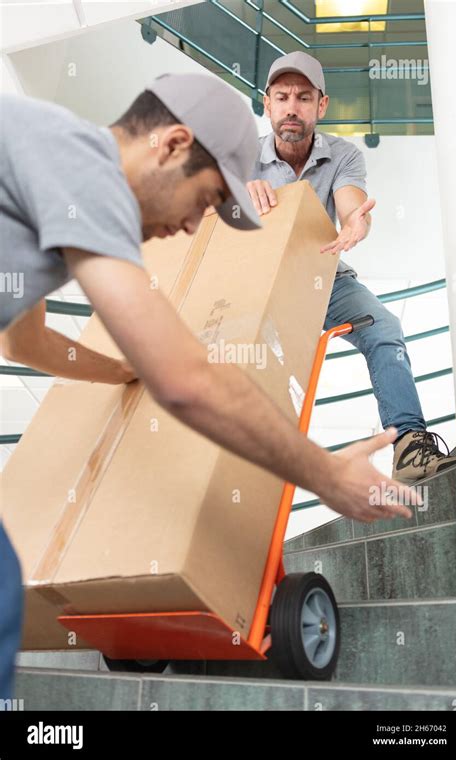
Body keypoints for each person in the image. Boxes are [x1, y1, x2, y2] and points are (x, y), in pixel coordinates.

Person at [0, 72, 420, 700]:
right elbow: (187, 382)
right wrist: (329, 477)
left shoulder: (48, 163)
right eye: (205, 199)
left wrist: (117, 369)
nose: (197, 225)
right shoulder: (86, 179)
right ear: (171, 145)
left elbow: (22, 342)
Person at [247, 51, 456, 484]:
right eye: (282, 96)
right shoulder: (240, 161)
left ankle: (410, 448)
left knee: (383, 328)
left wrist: (355, 222)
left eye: (304, 97)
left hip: (326, 278)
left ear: (321, 106)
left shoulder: (343, 156)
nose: (292, 107)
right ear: (266, 104)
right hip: (259, 287)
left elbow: (350, 205)